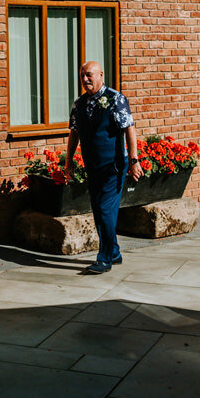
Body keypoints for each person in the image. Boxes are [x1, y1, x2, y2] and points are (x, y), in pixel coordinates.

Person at [65, 61, 144, 274]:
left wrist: (134, 160)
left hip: (113, 166)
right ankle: (115, 252)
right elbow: (74, 133)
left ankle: (105, 257)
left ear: (101, 74)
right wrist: (69, 160)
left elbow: (129, 129)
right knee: (99, 210)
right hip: (93, 166)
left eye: (89, 75)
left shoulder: (116, 99)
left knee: (105, 210)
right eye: (82, 76)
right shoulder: (79, 103)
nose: (85, 79)